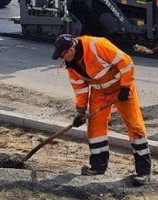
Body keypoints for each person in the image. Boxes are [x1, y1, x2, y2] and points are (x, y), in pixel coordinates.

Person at [51, 33, 151, 186]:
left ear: (71, 49)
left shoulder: (97, 45)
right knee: (95, 127)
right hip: (100, 92)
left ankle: (143, 171)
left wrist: (125, 87)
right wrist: (80, 111)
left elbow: (126, 62)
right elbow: (80, 89)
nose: (62, 59)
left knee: (134, 125)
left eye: (63, 55)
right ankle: (98, 166)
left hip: (121, 89)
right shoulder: (71, 65)